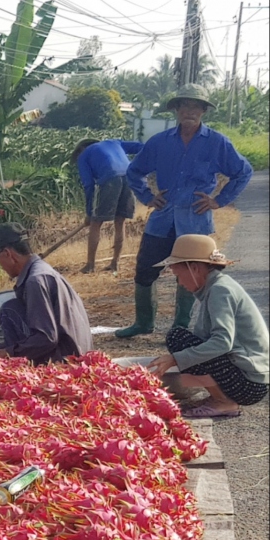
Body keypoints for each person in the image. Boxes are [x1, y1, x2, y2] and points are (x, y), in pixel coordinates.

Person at [120, 85, 253, 338]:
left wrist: (219, 200)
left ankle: (180, 327)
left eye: (195, 106)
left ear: (203, 111)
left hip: (195, 221)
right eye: (184, 106)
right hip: (162, 218)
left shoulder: (217, 142)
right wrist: (148, 197)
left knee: (192, 273)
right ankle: (143, 323)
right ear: (176, 110)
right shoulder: (159, 142)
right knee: (145, 269)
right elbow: (134, 171)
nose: (189, 111)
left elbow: (243, 171)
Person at [147, 235, 268, 419]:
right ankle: (218, 397)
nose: (179, 282)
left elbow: (222, 343)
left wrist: (175, 359)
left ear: (194, 268)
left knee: (178, 339)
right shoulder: (215, 287)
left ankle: (224, 402)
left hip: (249, 384)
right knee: (182, 339)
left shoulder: (220, 290)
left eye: (178, 275)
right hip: (244, 377)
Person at [0, 223, 93, 365]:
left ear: (7, 254)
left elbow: (46, 338)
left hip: (67, 360)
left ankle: (19, 367)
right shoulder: (41, 270)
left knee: (9, 310)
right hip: (76, 351)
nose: (0, 265)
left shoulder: (35, 281)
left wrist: (4, 353)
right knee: (13, 307)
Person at [72, 137, 144, 273]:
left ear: (82, 148)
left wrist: (89, 213)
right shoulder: (114, 142)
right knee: (120, 222)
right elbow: (142, 147)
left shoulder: (84, 155)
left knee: (95, 223)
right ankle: (115, 263)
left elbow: (88, 185)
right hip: (130, 177)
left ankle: (90, 265)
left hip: (110, 179)